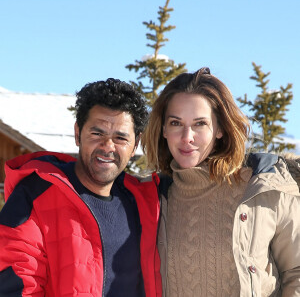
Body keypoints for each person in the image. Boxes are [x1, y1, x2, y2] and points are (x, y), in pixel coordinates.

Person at [141, 67, 300, 296]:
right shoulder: (153, 198)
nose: (187, 137)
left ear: (220, 129)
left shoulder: (265, 186)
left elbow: (296, 271)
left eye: (200, 124)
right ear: (163, 129)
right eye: (176, 123)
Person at [0, 78, 162, 296]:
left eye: (120, 138)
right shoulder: (35, 195)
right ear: (78, 133)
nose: (108, 147)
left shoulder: (144, 205)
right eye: (97, 134)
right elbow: (16, 283)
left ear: (135, 144)